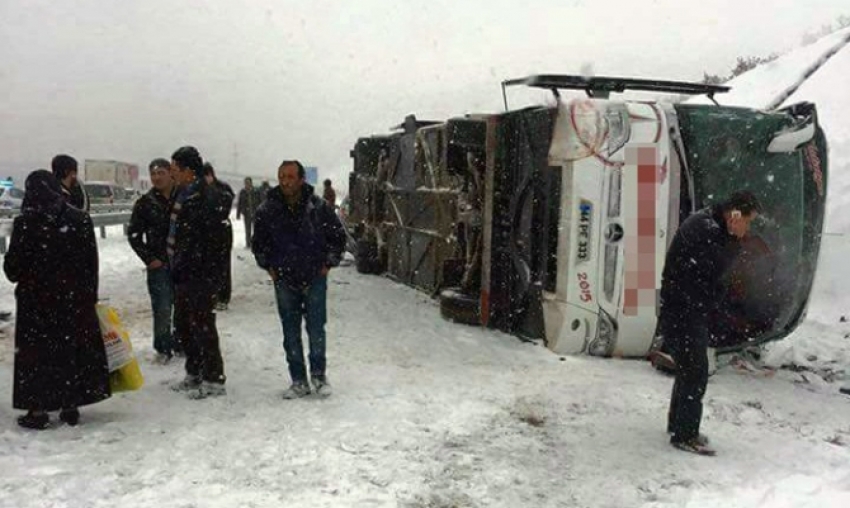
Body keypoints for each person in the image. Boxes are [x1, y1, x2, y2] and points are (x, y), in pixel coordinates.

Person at [3, 170, 110, 429]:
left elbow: (12, 271)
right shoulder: (80, 220)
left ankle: (37, 409)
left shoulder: (26, 223)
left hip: (36, 302)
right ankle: (70, 403)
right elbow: (90, 265)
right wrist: (88, 297)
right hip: (73, 300)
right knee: (69, 350)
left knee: (36, 357)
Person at [658, 190, 761, 455]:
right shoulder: (709, 230)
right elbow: (716, 271)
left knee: (687, 368)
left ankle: (678, 424)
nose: (747, 228)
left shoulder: (708, 222)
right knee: (695, 371)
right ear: (735, 214)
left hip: (683, 308)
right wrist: (736, 241)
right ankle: (685, 434)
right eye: (747, 221)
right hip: (684, 310)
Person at [252, 160, 346, 399]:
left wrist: (328, 263)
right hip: (284, 279)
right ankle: (298, 380)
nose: (285, 181)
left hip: (314, 277)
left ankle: (318, 376)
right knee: (290, 332)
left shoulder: (318, 207)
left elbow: (338, 237)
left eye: (290, 176)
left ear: (301, 179)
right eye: (282, 176)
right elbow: (259, 244)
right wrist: (269, 266)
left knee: (316, 330)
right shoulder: (267, 209)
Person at [167, 147, 227, 399]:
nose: (172, 175)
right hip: (183, 271)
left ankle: (213, 377)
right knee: (183, 324)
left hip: (200, 273)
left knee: (202, 325)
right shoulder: (184, 194)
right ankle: (194, 371)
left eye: (174, 170)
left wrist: (210, 274)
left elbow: (215, 240)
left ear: (187, 171)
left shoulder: (206, 197)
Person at [128, 158, 178, 362]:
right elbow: (134, 235)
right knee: (162, 308)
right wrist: (149, 258)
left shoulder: (183, 198)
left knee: (184, 307)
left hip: (183, 263)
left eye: (161, 173)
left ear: (170, 173)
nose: (157, 178)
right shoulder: (146, 203)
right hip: (159, 264)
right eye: (153, 174)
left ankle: (183, 343)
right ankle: (163, 347)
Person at [203, 163, 235, 310]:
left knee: (223, 266)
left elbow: (226, 204)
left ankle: (223, 297)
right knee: (208, 267)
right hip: (207, 233)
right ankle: (212, 295)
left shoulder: (221, 189)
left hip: (221, 232)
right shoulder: (201, 189)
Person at [236, 177, 261, 248]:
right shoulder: (243, 192)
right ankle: (248, 244)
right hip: (246, 214)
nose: (247, 184)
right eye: (246, 183)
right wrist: (238, 214)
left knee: (256, 230)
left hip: (255, 213)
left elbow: (260, 201)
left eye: (248, 183)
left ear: (251, 183)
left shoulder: (256, 191)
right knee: (247, 230)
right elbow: (240, 203)